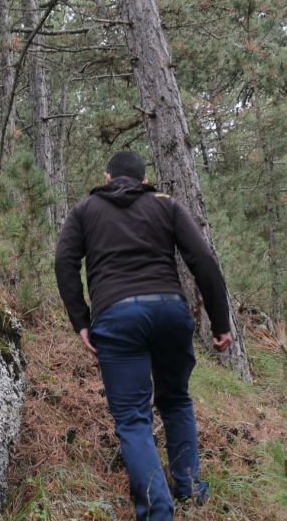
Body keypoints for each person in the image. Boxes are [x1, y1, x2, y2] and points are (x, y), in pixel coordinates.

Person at [54, 151, 234, 521]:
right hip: (169, 310)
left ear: (108, 177)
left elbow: (64, 262)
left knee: (134, 418)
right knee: (176, 400)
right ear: (144, 179)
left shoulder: (86, 210)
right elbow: (202, 259)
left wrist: (81, 320)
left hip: (117, 318)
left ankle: (157, 511)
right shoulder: (166, 205)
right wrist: (220, 322)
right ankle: (188, 488)